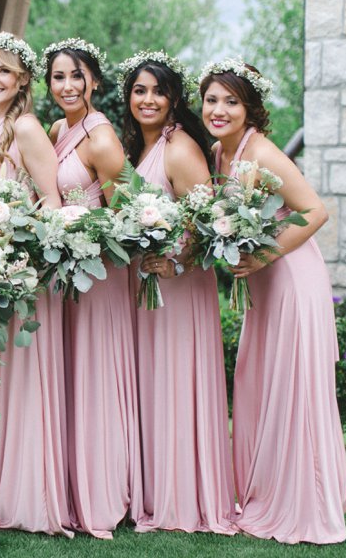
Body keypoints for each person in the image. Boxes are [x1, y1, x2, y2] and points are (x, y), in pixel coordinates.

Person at [200, 59, 346, 544]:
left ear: (251, 109)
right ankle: (267, 489)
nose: (219, 109)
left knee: (290, 390)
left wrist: (262, 255)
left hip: (290, 280)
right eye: (212, 99)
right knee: (258, 386)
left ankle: (303, 502)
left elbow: (315, 210)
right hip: (264, 288)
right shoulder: (220, 153)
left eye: (231, 101)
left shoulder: (261, 153)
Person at [119, 51, 235, 534]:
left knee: (175, 383)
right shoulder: (139, 147)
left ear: (173, 100)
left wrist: (175, 261)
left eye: (157, 91)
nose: (148, 99)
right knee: (154, 385)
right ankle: (153, 487)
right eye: (139, 90)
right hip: (149, 290)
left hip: (179, 290)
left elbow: (209, 224)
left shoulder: (181, 147)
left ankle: (181, 497)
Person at [0, 32, 70, 536]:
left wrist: (20, 250)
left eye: (4, 72)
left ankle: (28, 494)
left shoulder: (26, 127)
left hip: (19, 274)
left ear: (23, 78)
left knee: (22, 381)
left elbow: (52, 200)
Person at [43, 39, 139, 539]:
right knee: (74, 377)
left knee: (97, 377)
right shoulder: (58, 129)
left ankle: (104, 498)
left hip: (100, 275)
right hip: (68, 274)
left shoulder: (101, 138)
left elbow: (130, 215)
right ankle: (74, 487)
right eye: (58, 77)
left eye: (76, 76)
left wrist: (85, 234)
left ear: (94, 81)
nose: (67, 86)